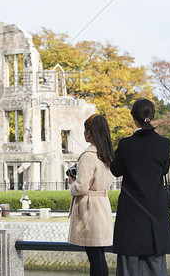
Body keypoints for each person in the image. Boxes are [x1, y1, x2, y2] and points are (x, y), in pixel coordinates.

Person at [110, 99, 170, 276]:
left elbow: (116, 171)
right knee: (156, 262)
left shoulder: (125, 144)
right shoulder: (165, 143)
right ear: (152, 116)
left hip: (131, 211)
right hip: (155, 210)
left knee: (129, 265)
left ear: (134, 118)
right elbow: (164, 170)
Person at [68, 114, 114, 276]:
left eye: (85, 130)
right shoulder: (106, 154)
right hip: (102, 205)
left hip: (90, 209)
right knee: (99, 256)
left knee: (94, 257)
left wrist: (71, 184)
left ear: (90, 133)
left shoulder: (88, 156)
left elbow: (81, 187)